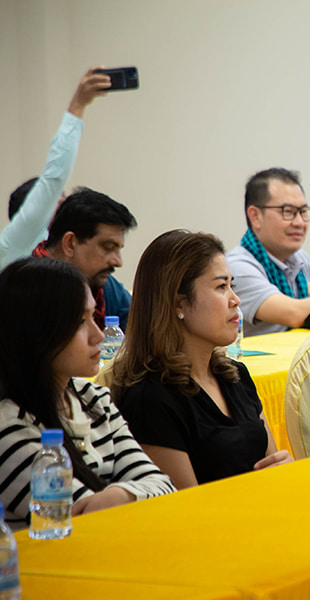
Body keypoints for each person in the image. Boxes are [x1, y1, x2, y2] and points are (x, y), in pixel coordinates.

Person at [0, 258, 174, 531]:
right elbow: (82, 523)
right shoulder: (8, 425)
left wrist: (122, 495)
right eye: (80, 322)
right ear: (36, 332)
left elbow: (164, 487)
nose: (98, 335)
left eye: (94, 317)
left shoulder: (93, 398)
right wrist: (131, 494)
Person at [111, 230, 292, 489]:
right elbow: (185, 503)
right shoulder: (149, 398)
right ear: (179, 304)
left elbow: (269, 462)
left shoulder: (235, 375)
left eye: (232, 286)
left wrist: (284, 469)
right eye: (221, 287)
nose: (235, 300)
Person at [1, 67, 111, 271]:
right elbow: (54, 178)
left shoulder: (76, 260)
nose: (67, 207)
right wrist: (77, 106)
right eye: (56, 202)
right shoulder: (15, 245)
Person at [227, 168, 310, 336]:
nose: (299, 222)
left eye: (303, 212)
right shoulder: (236, 267)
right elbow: (293, 313)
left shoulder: (299, 259)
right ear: (255, 216)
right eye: (288, 212)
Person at [33, 188, 137, 330]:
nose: (118, 262)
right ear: (70, 243)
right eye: (108, 247)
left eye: (118, 249)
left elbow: (140, 329)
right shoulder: (24, 289)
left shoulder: (105, 287)